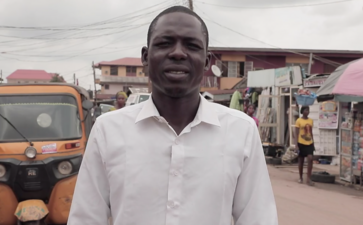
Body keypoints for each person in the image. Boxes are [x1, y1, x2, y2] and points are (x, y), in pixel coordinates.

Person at [68, 6, 277, 225]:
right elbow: (86, 218)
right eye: (165, 43)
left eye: (192, 45)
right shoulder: (107, 130)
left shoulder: (241, 131)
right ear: (146, 57)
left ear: (206, 62)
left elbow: (258, 218)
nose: (178, 53)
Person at [295, 106, 315, 186]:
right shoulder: (298, 121)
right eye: (306, 110)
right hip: (301, 142)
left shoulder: (310, 121)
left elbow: (311, 132)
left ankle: (308, 178)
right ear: (302, 111)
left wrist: (313, 142)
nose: (307, 111)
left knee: (310, 159)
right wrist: (296, 144)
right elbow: (296, 133)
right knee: (301, 161)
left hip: (309, 142)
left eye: (308, 110)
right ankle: (300, 177)